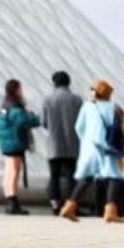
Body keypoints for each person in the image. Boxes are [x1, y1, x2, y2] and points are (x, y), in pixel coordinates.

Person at [60, 79, 124, 223]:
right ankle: (110, 211)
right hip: (107, 149)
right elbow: (118, 131)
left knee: (87, 177)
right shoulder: (113, 107)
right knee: (114, 177)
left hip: (89, 148)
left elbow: (78, 128)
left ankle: (69, 206)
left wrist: (87, 141)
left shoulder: (87, 106)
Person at [41, 70, 83, 214]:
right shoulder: (77, 100)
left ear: (54, 83)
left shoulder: (48, 99)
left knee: (54, 176)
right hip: (72, 144)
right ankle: (71, 205)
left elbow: (44, 122)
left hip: (54, 145)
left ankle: (55, 204)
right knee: (71, 176)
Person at [0, 79, 41, 215]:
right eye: (20, 88)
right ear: (16, 90)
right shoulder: (15, 107)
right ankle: (13, 203)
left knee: (9, 171)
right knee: (14, 172)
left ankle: (9, 200)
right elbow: (24, 122)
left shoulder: (5, 105)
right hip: (15, 143)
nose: (22, 91)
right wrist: (35, 118)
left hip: (7, 143)